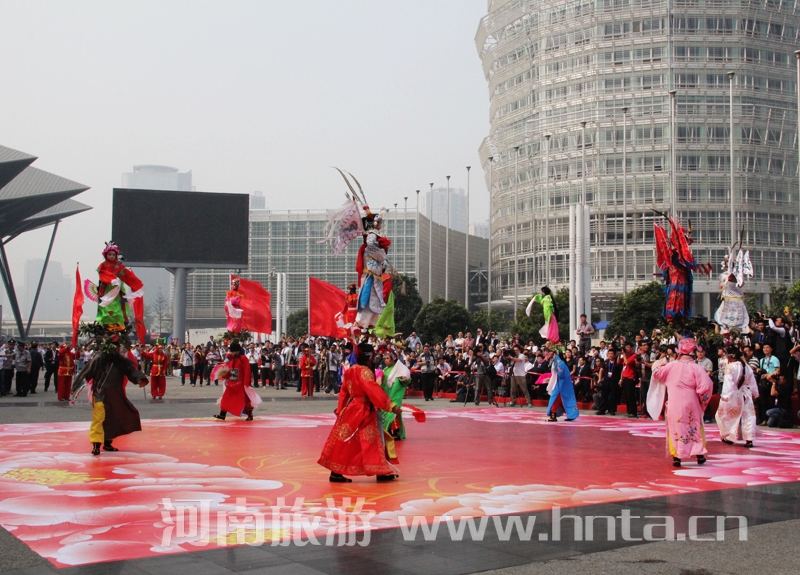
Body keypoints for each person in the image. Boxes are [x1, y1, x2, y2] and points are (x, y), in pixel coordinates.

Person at [317, 342, 403, 483]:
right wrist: (391, 406)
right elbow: (373, 390)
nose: (375, 360)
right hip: (364, 409)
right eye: (374, 357)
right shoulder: (365, 372)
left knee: (345, 441)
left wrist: (341, 410)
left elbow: (344, 392)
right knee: (372, 441)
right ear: (369, 357)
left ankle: (336, 472)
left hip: (351, 408)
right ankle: (380, 471)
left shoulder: (351, 370)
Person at [72, 342, 149, 456]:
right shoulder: (99, 359)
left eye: (118, 346)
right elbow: (87, 371)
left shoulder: (120, 361)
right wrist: (76, 386)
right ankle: (96, 445)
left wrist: (139, 378)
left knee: (113, 418)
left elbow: (130, 370)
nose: (117, 349)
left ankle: (108, 443)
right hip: (100, 394)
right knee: (99, 418)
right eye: (115, 346)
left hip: (115, 395)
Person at [648, 338, 714, 467]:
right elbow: (706, 386)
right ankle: (699, 455)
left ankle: (677, 457)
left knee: (676, 427)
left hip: (675, 401)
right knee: (694, 425)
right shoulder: (697, 367)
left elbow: (657, 373)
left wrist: (660, 362)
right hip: (691, 401)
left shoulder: (671, 365)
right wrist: (703, 401)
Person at [89, 242, 145, 337]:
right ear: (105, 255)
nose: (111, 256)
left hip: (118, 292)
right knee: (108, 309)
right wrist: (112, 280)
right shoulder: (103, 265)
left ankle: (118, 329)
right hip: (107, 291)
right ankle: (107, 328)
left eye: (113, 255)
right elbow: (102, 275)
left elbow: (127, 275)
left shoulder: (118, 266)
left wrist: (137, 285)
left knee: (118, 309)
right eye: (109, 254)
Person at [716, 347, 759, 447]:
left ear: (731, 356)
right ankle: (749, 439)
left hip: (734, 394)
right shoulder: (746, 366)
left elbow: (728, 384)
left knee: (726, 415)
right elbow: (752, 381)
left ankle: (729, 436)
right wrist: (755, 393)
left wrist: (725, 396)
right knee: (748, 416)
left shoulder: (730, 367)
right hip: (746, 393)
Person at [213, 341, 261, 421]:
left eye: (233, 351)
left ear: (237, 351)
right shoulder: (231, 359)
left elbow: (247, 370)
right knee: (226, 398)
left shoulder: (243, 359)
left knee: (245, 399)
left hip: (241, 383)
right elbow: (229, 370)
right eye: (231, 351)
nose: (231, 353)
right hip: (232, 383)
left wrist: (246, 382)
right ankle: (222, 414)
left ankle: (250, 414)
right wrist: (225, 375)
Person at [381, 350, 410, 440]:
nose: (386, 360)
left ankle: (396, 433)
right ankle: (388, 432)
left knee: (393, 414)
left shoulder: (399, 369)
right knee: (387, 414)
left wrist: (403, 379)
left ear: (393, 359)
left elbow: (407, 380)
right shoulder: (385, 370)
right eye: (385, 358)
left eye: (387, 358)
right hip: (386, 395)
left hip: (395, 395)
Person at [545, 346, 579, 422]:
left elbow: (561, 374)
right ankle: (570, 415)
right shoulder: (556, 361)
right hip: (558, 383)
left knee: (555, 399)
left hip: (561, 384)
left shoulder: (560, 363)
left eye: (550, 352)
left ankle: (553, 416)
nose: (548, 353)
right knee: (562, 400)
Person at [596, 349, 622, 415]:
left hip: (614, 381)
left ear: (614, 355)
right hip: (606, 381)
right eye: (609, 353)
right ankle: (602, 410)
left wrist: (621, 379)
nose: (610, 355)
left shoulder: (617, 362)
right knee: (604, 395)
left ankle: (612, 410)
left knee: (613, 396)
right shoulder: (605, 362)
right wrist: (599, 379)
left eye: (612, 353)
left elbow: (621, 371)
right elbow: (601, 370)